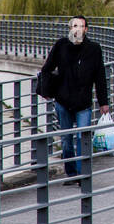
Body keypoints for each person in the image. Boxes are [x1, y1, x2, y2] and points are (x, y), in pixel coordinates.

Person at [39, 16, 109, 183]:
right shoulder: (61, 45)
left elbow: (100, 76)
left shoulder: (94, 49)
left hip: (83, 102)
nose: (77, 29)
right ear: (70, 28)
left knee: (82, 137)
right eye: (74, 26)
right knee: (66, 140)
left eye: (81, 26)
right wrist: (45, 90)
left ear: (86, 29)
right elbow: (47, 68)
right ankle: (71, 173)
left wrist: (103, 102)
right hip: (63, 101)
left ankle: (82, 173)